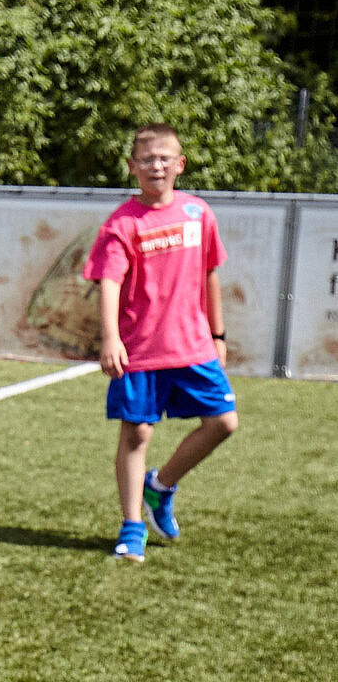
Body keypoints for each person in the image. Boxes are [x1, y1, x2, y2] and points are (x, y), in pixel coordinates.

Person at [81, 123, 236, 563]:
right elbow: (109, 281)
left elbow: (210, 274)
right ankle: (132, 527)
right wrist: (110, 338)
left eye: (165, 158)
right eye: (147, 159)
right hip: (140, 348)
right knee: (137, 433)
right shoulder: (122, 223)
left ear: (180, 164)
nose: (156, 166)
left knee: (223, 423)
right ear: (132, 167)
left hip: (193, 344)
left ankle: (160, 486)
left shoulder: (198, 213)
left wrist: (218, 334)